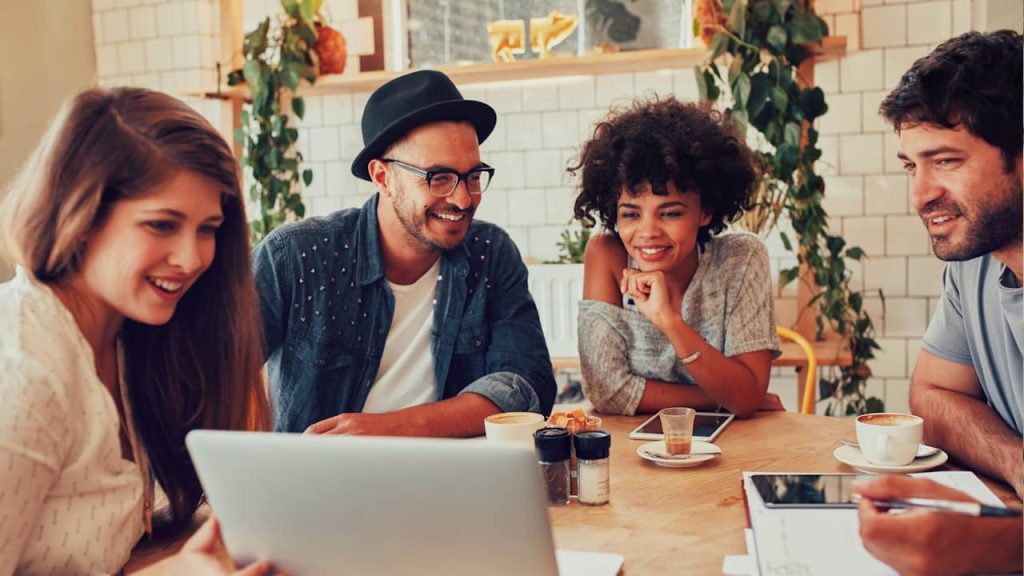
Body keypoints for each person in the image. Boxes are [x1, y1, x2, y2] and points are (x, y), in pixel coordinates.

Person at [0, 87, 271, 575]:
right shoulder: (24, 370)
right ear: (80, 216)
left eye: (207, 228)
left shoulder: (127, 341)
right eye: (162, 225)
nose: (192, 259)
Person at [254, 70, 556, 435]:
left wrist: (389, 429)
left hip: (451, 481)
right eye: (439, 178)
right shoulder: (297, 256)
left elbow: (526, 384)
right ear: (382, 177)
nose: (462, 199)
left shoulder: (490, 254)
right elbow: (218, 374)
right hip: (321, 483)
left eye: (473, 176)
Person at [855, 29, 1023, 575]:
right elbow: (930, 394)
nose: (920, 194)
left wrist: (1002, 546)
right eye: (911, 165)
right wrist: (1015, 461)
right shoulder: (975, 261)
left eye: (945, 160)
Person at [571, 96, 781, 417]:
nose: (648, 232)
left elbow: (749, 394)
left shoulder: (740, 258)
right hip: (632, 451)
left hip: (732, 448)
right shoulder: (607, 256)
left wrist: (669, 321)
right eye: (631, 214)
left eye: (669, 213)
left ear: (706, 211)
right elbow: (607, 392)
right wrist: (720, 399)